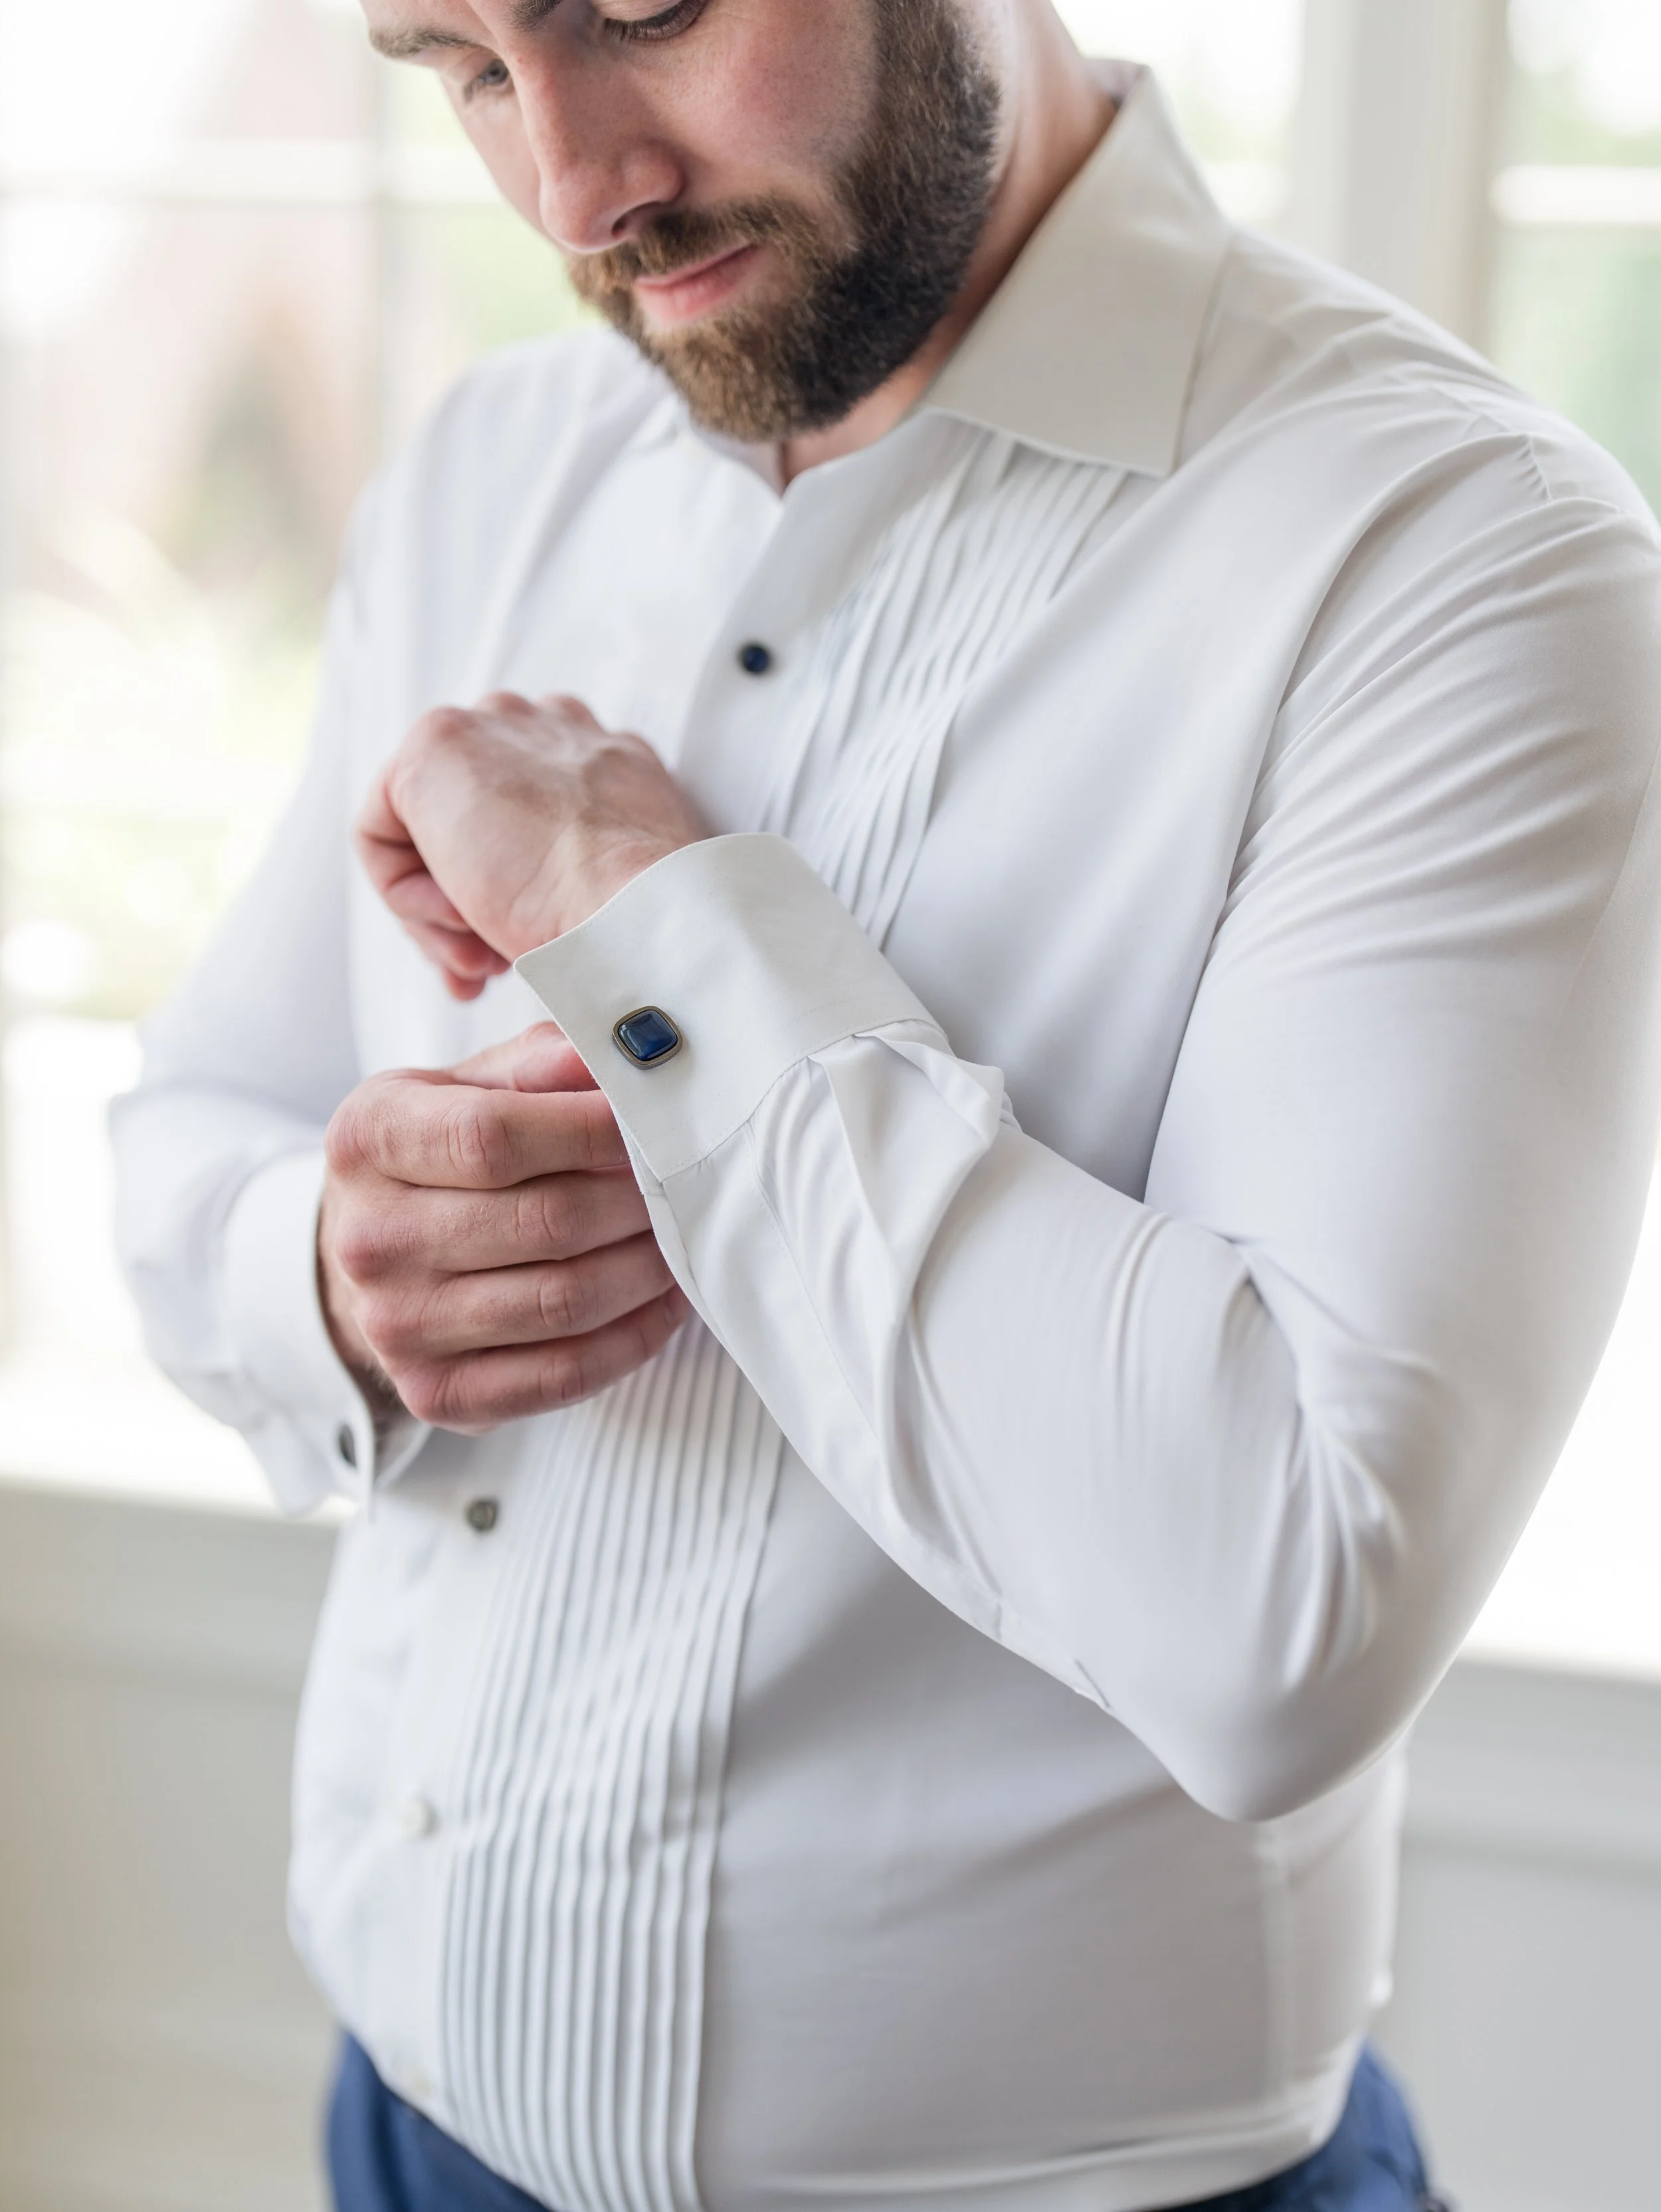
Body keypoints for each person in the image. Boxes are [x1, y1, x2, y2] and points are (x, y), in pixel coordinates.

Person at [112, 1, 1661, 2207]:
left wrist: (652, 923)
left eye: (640, 8)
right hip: (399, 2129)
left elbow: (1286, 1613)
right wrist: (332, 1279)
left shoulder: (1453, 556)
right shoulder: (491, 465)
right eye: (457, 64)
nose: (571, 190)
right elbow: (193, 1134)